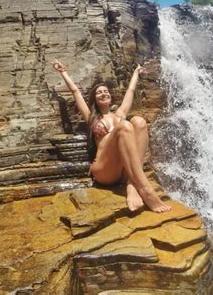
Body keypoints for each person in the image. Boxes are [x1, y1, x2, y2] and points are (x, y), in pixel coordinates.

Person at [51, 59, 171, 213]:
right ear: (94, 98)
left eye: (105, 91)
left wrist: (135, 73)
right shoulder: (91, 117)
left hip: (123, 171)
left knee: (139, 122)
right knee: (125, 126)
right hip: (104, 170)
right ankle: (146, 189)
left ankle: (132, 185)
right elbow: (75, 92)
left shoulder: (120, 114)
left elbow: (130, 92)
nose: (103, 93)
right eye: (99, 92)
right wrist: (63, 72)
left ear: (110, 96)